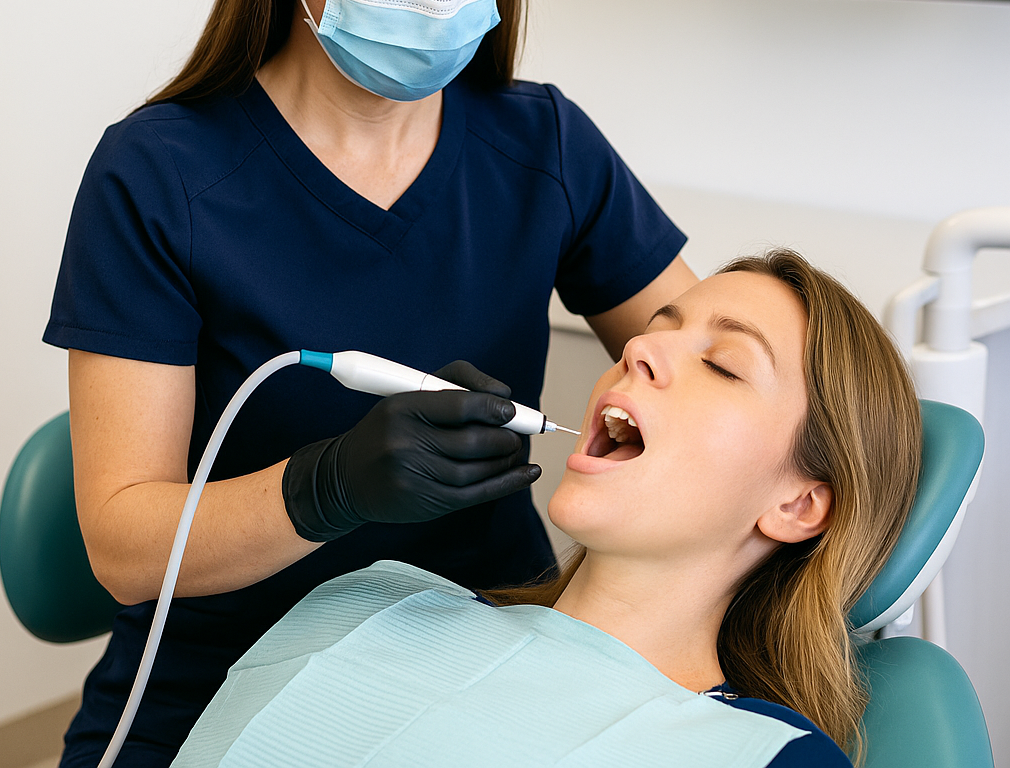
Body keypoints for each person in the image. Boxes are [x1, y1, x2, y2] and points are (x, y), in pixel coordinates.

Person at [42, 0, 697, 765]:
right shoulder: (161, 172)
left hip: (484, 644)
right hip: (222, 680)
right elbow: (124, 548)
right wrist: (326, 486)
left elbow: (696, 367)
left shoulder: (543, 145)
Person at [168, 250, 922, 768]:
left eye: (723, 365)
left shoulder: (765, 756)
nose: (636, 354)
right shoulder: (372, 600)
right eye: (654, 333)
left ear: (798, 503)